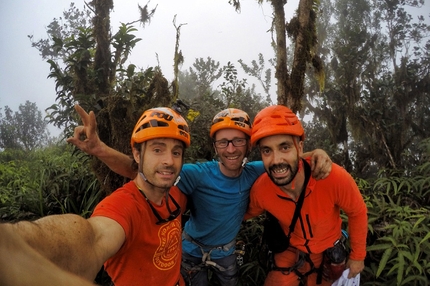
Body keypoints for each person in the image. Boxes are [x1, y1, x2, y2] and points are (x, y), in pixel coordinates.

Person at [67, 106, 333, 286]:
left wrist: (317, 154)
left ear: (249, 146)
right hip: (191, 248)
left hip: (226, 250)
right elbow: (138, 170)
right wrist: (99, 150)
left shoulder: (255, 171)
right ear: (215, 146)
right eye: (223, 142)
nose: (231, 149)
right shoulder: (196, 174)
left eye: (238, 141)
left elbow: (284, 160)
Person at [0, 106, 190, 286]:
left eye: (176, 152)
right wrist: (15, 247)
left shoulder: (176, 192)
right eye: (157, 150)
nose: (169, 161)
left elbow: (136, 169)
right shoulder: (124, 206)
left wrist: (100, 149)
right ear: (138, 155)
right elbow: (93, 238)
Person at [244, 105, 368, 286]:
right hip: (290, 250)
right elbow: (243, 214)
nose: (276, 160)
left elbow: (357, 211)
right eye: (267, 151)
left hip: (327, 249)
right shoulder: (261, 189)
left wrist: (357, 257)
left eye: (284, 147)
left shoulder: (331, 177)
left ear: (299, 148)